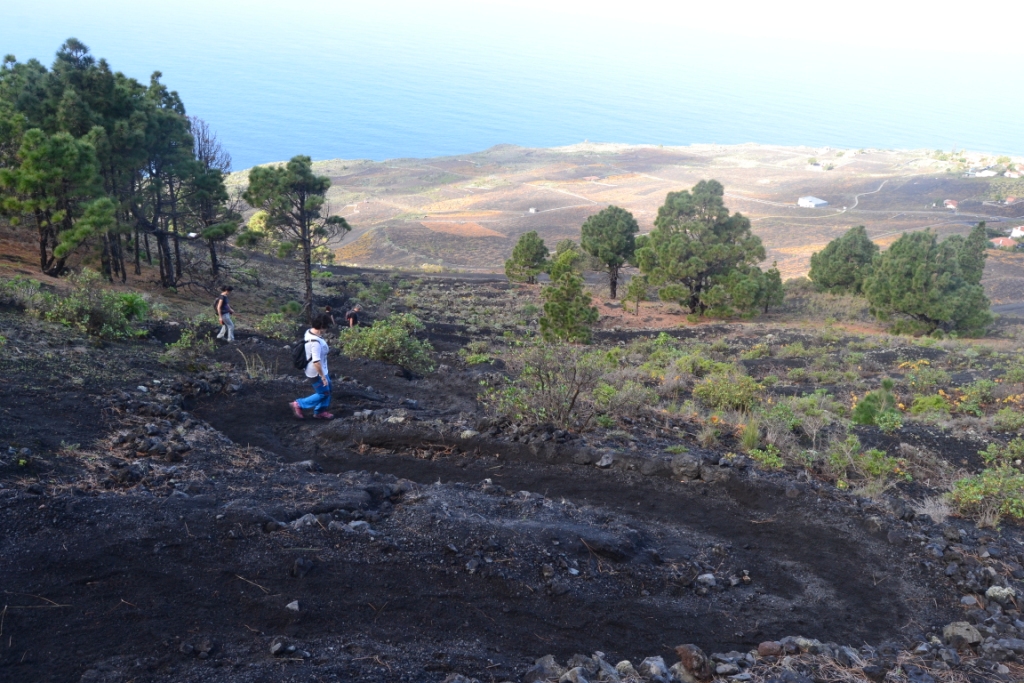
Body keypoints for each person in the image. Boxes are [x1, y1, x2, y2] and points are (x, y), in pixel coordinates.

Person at [289, 313, 333, 420]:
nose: (327, 329)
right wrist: (322, 376)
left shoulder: (309, 332)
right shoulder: (315, 343)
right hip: (316, 372)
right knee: (323, 393)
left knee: (329, 388)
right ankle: (299, 404)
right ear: (322, 326)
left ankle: (320, 411)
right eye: (326, 326)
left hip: (322, 369)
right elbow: (316, 362)